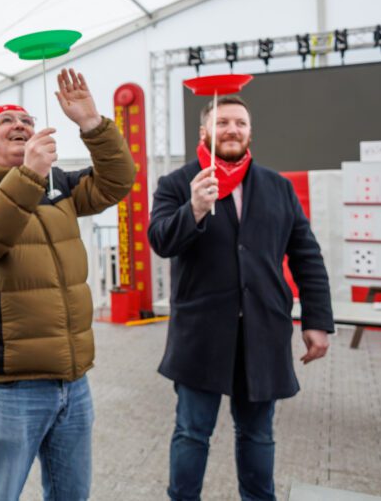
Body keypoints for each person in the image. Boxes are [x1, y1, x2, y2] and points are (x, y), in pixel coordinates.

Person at [0, 69, 135, 501]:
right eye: (5, 121)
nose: (20, 125)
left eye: (26, 120)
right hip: (7, 385)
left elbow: (118, 181)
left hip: (72, 380)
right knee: (0, 494)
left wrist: (91, 123)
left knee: (72, 494)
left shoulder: (59, 186)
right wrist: (29, 174)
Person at [148, 94, 334, 501]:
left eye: (240, 123)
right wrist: (193, 209)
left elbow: (307, 256)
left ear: (250, 133)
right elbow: (160, 241)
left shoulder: (277, 187)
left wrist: (317, 321)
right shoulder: (178, 184)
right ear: (205, 132)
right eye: (223, 122)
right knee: (192, 432)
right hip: (200, 335)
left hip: (262, 332)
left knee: (257, 434)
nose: (232, 129)